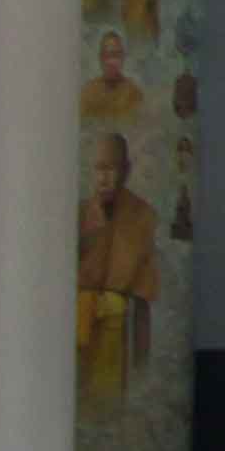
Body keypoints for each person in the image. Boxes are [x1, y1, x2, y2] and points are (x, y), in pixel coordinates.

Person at [76, 127, 162, 399]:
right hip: (78, 330)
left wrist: (142, 365)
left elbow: (143, 297)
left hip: (116, 334)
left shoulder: (142, 216)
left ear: (126, 171)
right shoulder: (78, 215)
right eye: (99, 168)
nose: (104, 178)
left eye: (111, 169)